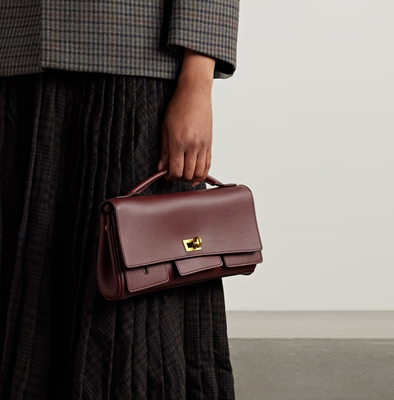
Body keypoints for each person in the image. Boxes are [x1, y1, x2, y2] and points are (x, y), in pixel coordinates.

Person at [0, 1, 240, 398]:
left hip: (131, 60)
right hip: (19, 58)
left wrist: (197, 83)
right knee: (28, 295)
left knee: (131, 296)